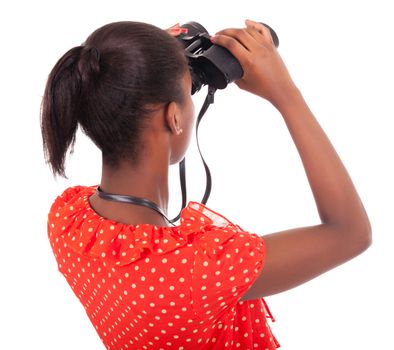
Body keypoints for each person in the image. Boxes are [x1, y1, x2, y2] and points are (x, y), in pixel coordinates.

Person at [41, 19, 372, 350]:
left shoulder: (68, 222)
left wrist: (160, 62)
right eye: (189, 92)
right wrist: (285, 93)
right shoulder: (200, 272)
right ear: (173, 117)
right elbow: (350, 233)